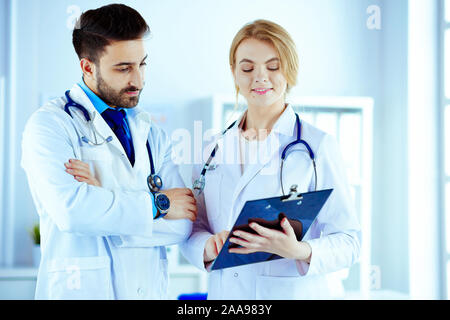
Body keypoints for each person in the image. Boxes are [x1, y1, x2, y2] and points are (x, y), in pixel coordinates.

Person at [21, 4, 197, 300]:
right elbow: (72, 214)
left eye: (142, 64)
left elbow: (182, 226)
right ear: (88, 67)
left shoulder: (152, 133)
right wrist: (158, 206)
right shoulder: (49, 126)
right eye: (123, 68)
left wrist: (102, 199)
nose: (138, 80)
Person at [180, 20, 361, 299]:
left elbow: (350, 241)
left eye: (273, 67)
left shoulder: (318, 146)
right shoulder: (210, 148)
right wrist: (207, 246)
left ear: (289, 70)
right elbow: (193, 227)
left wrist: (299, 250)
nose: (260, 77)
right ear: (234, 73)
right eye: (247, 68)